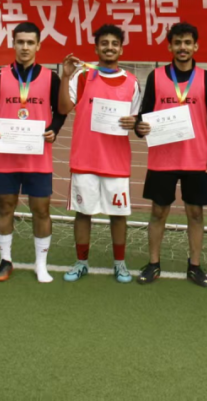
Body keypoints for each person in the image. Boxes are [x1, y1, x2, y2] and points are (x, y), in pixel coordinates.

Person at [134, 22, 207, 288]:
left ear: (195, 46)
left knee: (195, 213)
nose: (182, 47)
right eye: (177, 43)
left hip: (196, 159)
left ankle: (194, 266)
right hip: (163, 158)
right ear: (170, 46)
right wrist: (140, 128)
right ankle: (153, 263)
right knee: (158, 212)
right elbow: (144, 115)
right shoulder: (156, 77)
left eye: (187, 43)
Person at [0, 22, 67, 283]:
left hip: (37, 156)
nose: (25, 47)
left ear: (38, 45)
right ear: (13, 44)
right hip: (7, 155)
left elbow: (61, 111)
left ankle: (41, 264)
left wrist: (53, 129)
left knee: (41, 210)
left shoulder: (51, 78)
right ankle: (5, 260)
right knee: (5, 207)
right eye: (20, 42)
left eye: (30, 42)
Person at [59, 25, 141, 284]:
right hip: (85, 159)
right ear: (96, 48)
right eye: (104, 43)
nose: (109, 48)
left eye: (114, 44)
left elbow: (137, 120)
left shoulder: (132, 82)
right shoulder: (82, 76)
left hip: (116, 161)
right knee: (83, 213)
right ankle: (81, 262)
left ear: (121, 49)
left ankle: (120, 264)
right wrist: (65, 77)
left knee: (118, 215)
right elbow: (63, 108)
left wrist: (134, 122)